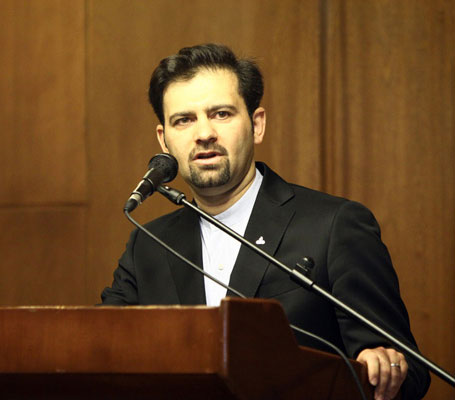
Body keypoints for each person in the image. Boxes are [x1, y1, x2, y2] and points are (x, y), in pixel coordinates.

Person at [101, 44, 430, 399]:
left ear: (256, 125)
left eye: (221, 114)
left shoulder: (334, 226)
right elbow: (98, 350)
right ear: (164, 140)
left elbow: (408, 373)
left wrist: (383, 364)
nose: (204, 133)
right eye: (184, 120)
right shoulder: (148, 245)